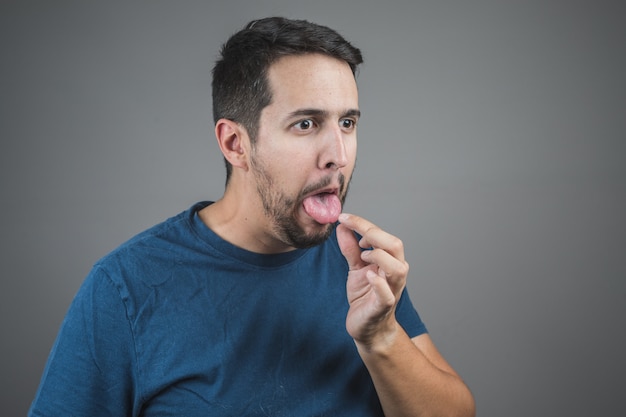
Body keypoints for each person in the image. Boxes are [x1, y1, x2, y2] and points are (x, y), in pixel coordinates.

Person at [29, 17, 475, 417]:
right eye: (306, 124)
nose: (337, 156)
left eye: (347, 123)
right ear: (235, 143)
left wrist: (381, 338)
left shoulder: (360, 263)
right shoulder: (125, 287)